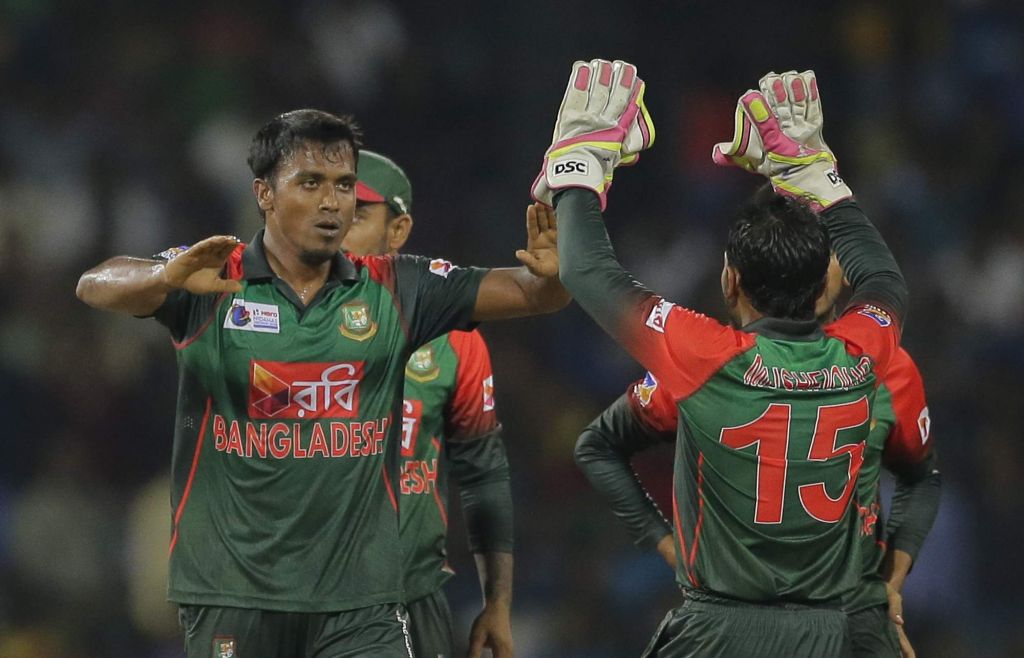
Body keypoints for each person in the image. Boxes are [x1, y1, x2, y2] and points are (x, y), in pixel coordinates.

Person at [76, 109, 566, 657]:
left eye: (343, 185)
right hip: (235, 596)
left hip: (361, 606)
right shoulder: (213, 274)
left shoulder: (397, 287)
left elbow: (533, 294)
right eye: (310, 183)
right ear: (264, 193)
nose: (332, 203)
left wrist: (555, 271)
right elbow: (94, 284)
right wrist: (163, 276)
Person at [532, 60, 906, 656]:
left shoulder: (704, 355)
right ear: (823, 288)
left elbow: (586, 270)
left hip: (722, 631)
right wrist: (819, 180)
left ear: (730, 281)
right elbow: (884, 280)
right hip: (830, 632)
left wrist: (578, 164)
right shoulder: (863, 350)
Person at [575, 245, 941, 658]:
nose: (813, 269)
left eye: (824, 253)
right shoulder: (714, 366)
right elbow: (599, 445)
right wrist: (666, 545)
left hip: (850, 622)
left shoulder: (888, 365)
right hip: (737, 623)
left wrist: (890, 585)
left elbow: (921, 477)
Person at [341, 150, 514, 658]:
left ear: (398, 231)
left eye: (358, 215)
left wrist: (498, 602)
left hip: (410, 592)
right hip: (294, 593)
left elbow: (482, 471)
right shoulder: (277, 315)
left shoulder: (454, 338)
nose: (335, 226)